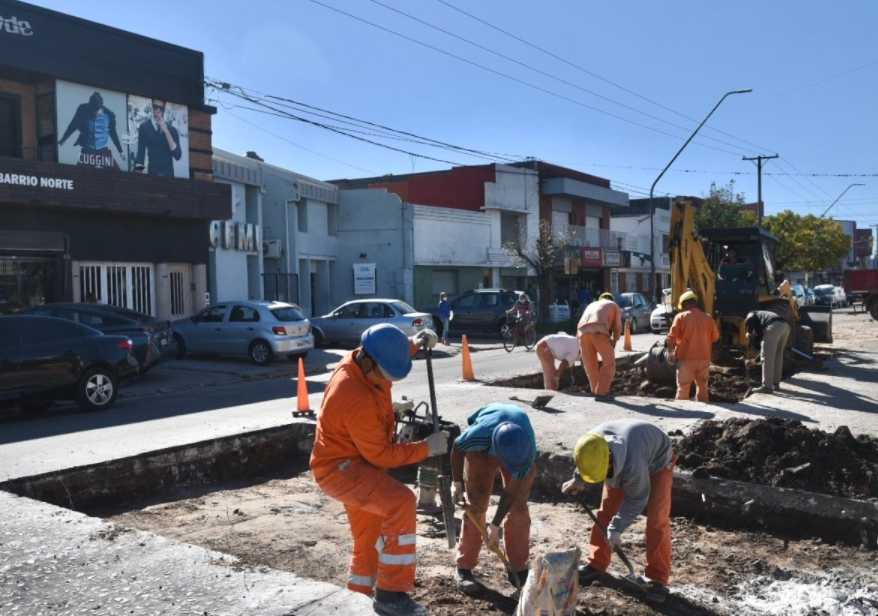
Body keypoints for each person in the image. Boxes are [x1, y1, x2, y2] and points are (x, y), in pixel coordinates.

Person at [310, 323, 446, 616]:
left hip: (355, 462)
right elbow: (383, 456)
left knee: (369, 539)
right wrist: (427, 447)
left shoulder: (366, 357)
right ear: (368, 362)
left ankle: (357, 598)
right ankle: (391, 595)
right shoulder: (353, 394)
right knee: (401, 503)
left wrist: (417, 341)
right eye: (384, 378)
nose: (387, 383)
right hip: (342, 470)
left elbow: (392, 348)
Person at [562, 419, 675, 602]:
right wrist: (578, 480)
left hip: (658, 461)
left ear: (609, 461)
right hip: (628, 449)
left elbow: (636, 498)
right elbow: (585, 459)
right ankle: (596, 563)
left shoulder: (633, 465)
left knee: (657, 519)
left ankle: (657, 578)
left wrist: (617, 529)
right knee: (605, 512)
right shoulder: (592, 444)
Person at [450, 403, 537, 594]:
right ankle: (464, 567)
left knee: (519, 508)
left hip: (515, 450)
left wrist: (495, 526)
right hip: (482, 452)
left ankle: (518, 568)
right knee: (475, 507)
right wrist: (456, 484)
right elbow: (457, 446)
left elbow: (511, 493)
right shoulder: (479, 436)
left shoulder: (525, 452)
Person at [665, 291, 719, 402]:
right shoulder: (708, 318)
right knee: (703, 387)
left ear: (684, 305)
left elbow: (671, 338)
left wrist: (670, 353)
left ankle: (681, 413)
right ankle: (704, 411)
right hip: (704, 359)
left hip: (685, 359)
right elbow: (715, 338)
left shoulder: (680, 317)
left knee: (683, 388)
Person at [58, 91, 126, 170]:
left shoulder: (108, 116)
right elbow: (73, 124)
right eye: (93, 110)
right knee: (76, 174)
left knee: (118, 173)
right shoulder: (83, 110)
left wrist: (120, 151)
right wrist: (65, 137)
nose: (95, 113)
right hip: (88, 151)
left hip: (103, 151)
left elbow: (113, 133)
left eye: (97, 111)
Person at [576, 292, 622, 401]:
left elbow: (579, 324)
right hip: (599, 330)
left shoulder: (591, 305)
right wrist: (614, 340)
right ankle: (602, 393)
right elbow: (617, 327)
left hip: (582, 333)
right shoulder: (614, 306)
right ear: (612, 299)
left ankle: (595, 390)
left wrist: (579, 344)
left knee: (590, 365)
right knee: (609, 364)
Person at [744, 310, 791, 394]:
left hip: (774, 326)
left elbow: (749, 319)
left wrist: (749, 332)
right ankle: (775, 384)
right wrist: (755, 360)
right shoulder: (762, 321)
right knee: (778, 356)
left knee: (767, 357)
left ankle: (767, 386)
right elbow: (764, 348)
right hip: (785, 327)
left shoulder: (752, 313)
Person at [134, 99, 182, 177]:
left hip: (168, 176)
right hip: (152, 174)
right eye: (155, 107)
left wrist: (166, 131)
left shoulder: (172, 130)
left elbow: (177, 155)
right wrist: (137, 175)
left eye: (161, 108)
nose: (158, 110)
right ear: (152, 107)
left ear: (164, 109)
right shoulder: (144, 127)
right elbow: (141, 153)